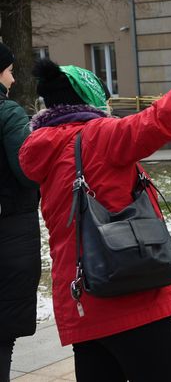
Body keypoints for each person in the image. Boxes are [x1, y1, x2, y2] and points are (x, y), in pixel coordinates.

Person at [19, 46, 171, 381]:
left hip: (82, 303)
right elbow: (157, 119)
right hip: (128, 299)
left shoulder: (46, 146)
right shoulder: (98, 136)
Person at [0, 43, 41, 382]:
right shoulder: (8, 113)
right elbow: (27, 171)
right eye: (10, 70)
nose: (12, 79)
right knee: (2, 330)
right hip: (9, 231)